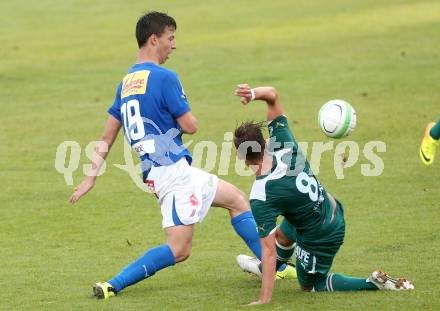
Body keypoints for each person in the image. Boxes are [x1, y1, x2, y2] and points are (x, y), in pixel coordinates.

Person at [69, 12, 294, 299]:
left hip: (166, 170)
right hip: (172, 174)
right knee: (180, 249)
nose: (173, 45)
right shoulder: (164, 77)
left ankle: (271, 265)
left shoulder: (125, 83)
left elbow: (107, 135)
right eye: (170, 38)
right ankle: (112, 284)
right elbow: (191, 126)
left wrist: (90, 177)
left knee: (237, 200)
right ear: (154, 39)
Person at [232, 83, 414, 305]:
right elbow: (272, 95)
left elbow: (268, 251)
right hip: (329, 207)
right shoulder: (282, 142)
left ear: (241, 156)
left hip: (323, 233)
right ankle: (260, 269)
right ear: (262, 141)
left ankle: (372, 283)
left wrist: (264, 299)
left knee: (310, 286)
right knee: (283, 234)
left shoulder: (261, 195)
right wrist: (252, 94)